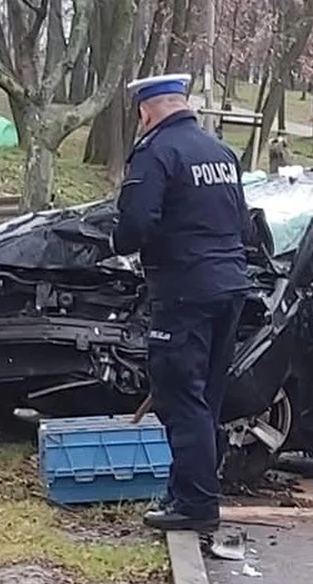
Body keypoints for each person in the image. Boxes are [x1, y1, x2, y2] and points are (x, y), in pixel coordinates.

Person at [110, 73, 253, 533]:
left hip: (184, 290)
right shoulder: (220, 152)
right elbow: (243, 224)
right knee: (205, 397)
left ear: (146, 111)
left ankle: (195, 506)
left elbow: (134, 224)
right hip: (229, 287)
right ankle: (191, 489)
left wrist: (114, 244)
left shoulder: (157, 152)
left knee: (178, 395)